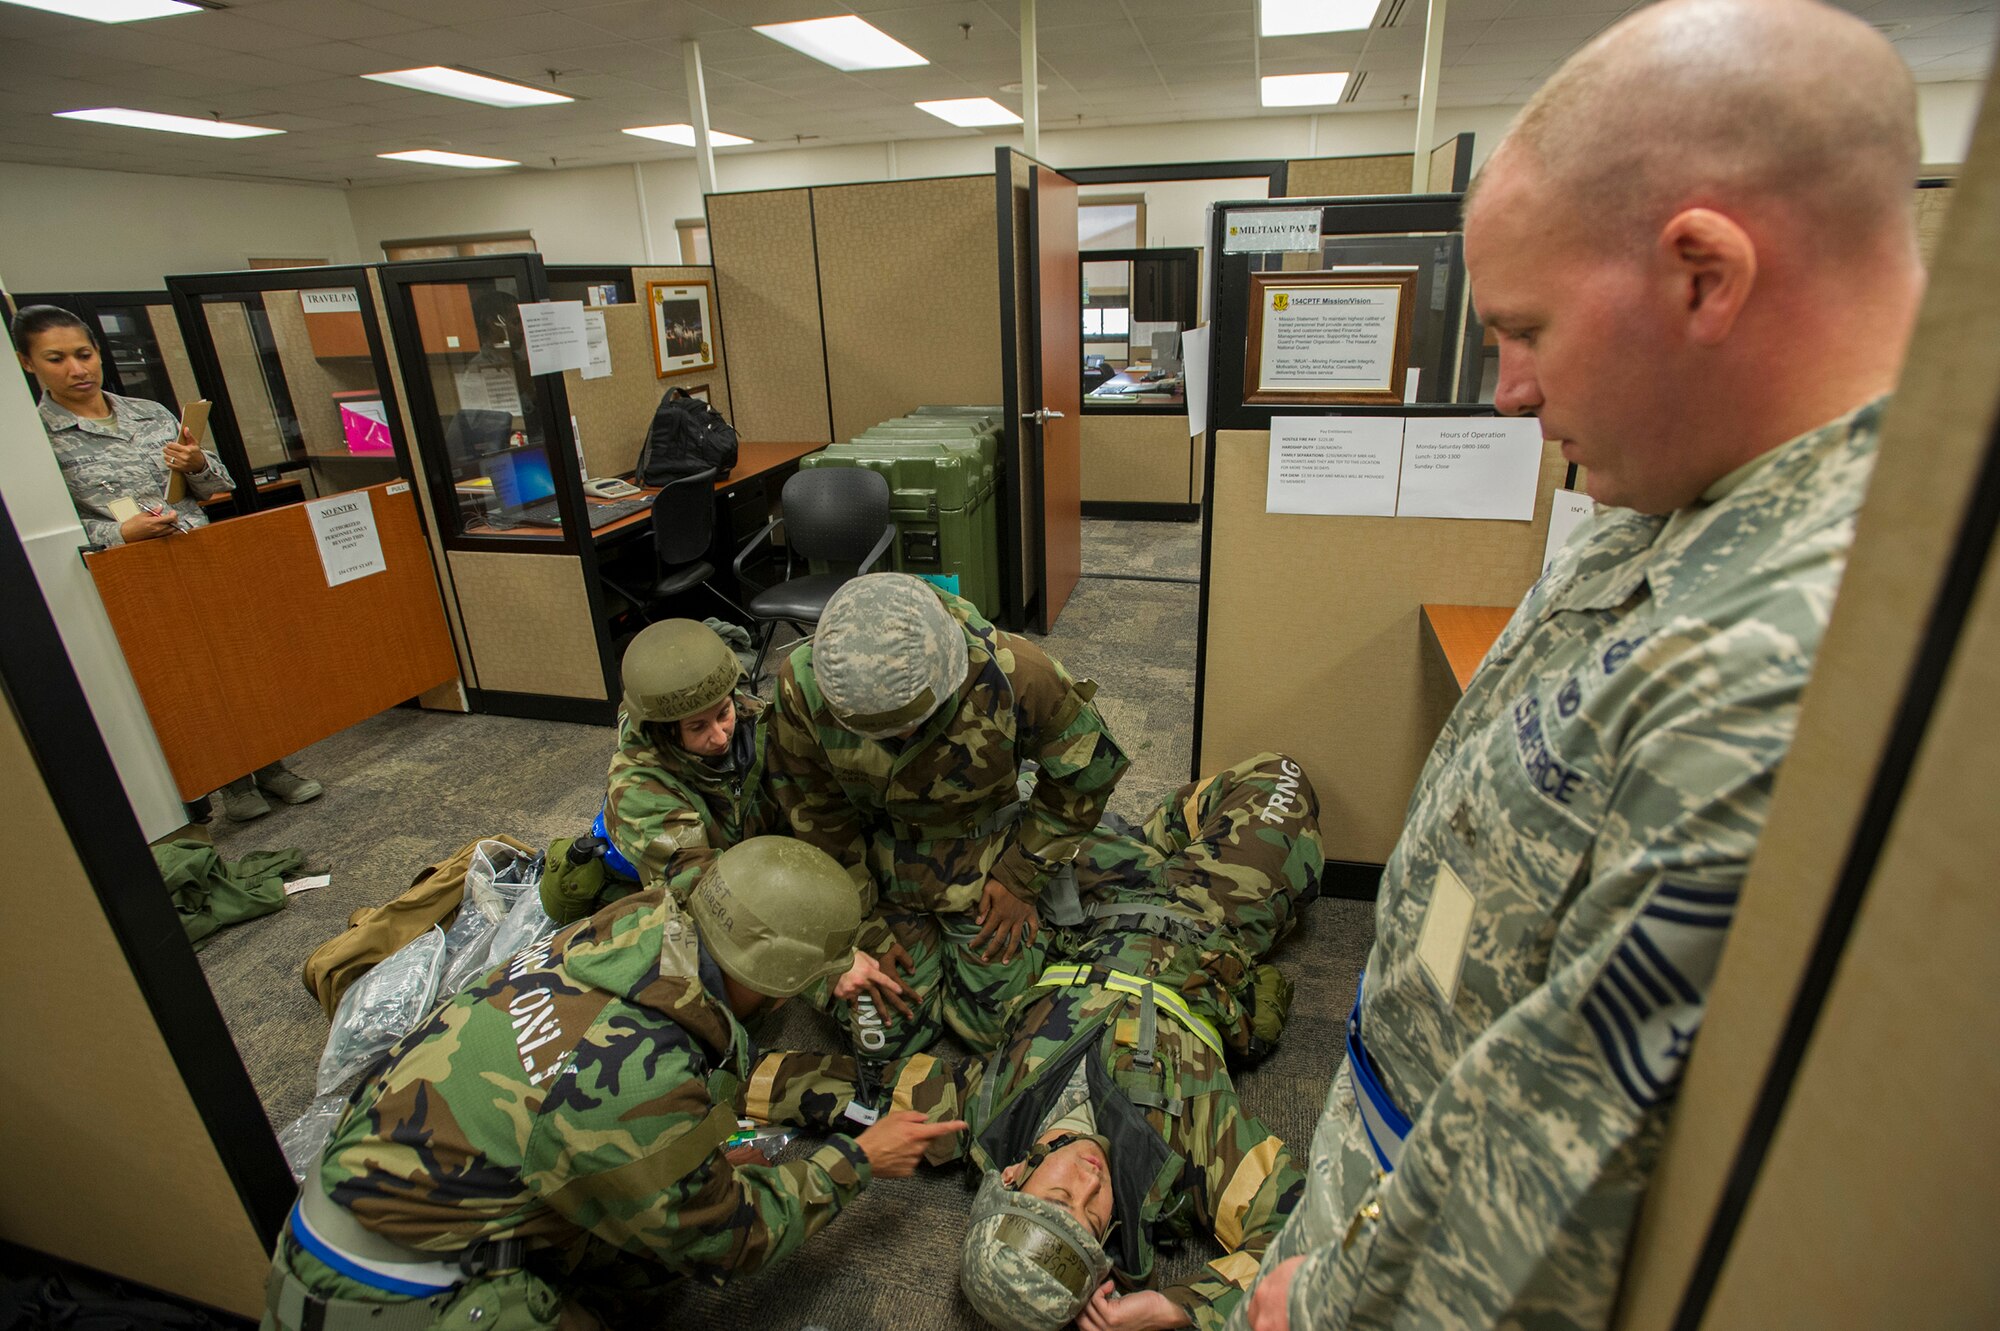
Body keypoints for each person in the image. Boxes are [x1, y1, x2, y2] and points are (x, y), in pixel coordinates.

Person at [1232, 3, 1928, 1329]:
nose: (1504, 389)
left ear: (1705, 277)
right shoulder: (1684, 491)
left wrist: (1323, 1305)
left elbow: (1555, 1185)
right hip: (1387, 1163)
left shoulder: (1784, 656)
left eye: (1529, 328)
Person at [261, 836, 966, 1331]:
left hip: (341, 1215)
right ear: (781, 982)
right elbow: (732, 1238)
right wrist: (861, 1159)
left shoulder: (612, 936)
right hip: (380, 1301)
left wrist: (696, 1162)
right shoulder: (640, 1077)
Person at [743, 753, 1325, 1331]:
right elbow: (1300, 1240)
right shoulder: (1181, 1162)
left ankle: (1150, 837)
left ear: (1016, 1176)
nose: (1091, 1184)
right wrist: (1181, 1309)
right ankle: (1171, 844)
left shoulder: (983, 1116)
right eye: (1095, 1220)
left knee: (953, 814)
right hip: (1206, 915)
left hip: (1084, 910)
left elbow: (849, 1091)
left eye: (1061, 1197)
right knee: (1283, 780)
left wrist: (717, 1089)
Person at [768, 571, 1131, 1058]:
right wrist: (859, 926)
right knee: (887, 1040)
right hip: (876, 865)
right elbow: (816, 816)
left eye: (910, 725)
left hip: (982, 861)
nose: (897, 745)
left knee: (997, 1036)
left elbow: (1088, 772)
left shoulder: (1016, 671)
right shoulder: (802, 684)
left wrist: (1023, 876)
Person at [12, 303, 322, 823]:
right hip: (130, 578)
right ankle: (226, 780)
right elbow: (42, 532)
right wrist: (119, 533)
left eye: (84, 354)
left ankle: (270, 764)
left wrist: (198, 463)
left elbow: (217, 485)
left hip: (197, 560)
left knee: (239, 668)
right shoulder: (36, 443)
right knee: (184, 682)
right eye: (57, 358)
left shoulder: (150, 414)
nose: (77, 369)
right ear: (28, 364)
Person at [542, 619, 776, 924]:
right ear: (663, 730)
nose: (720, 736)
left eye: (723, 714)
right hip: (653, 884)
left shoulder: (747, 712)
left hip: (733, 850)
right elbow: (701, 890)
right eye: (698, 727)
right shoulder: (639, 791)